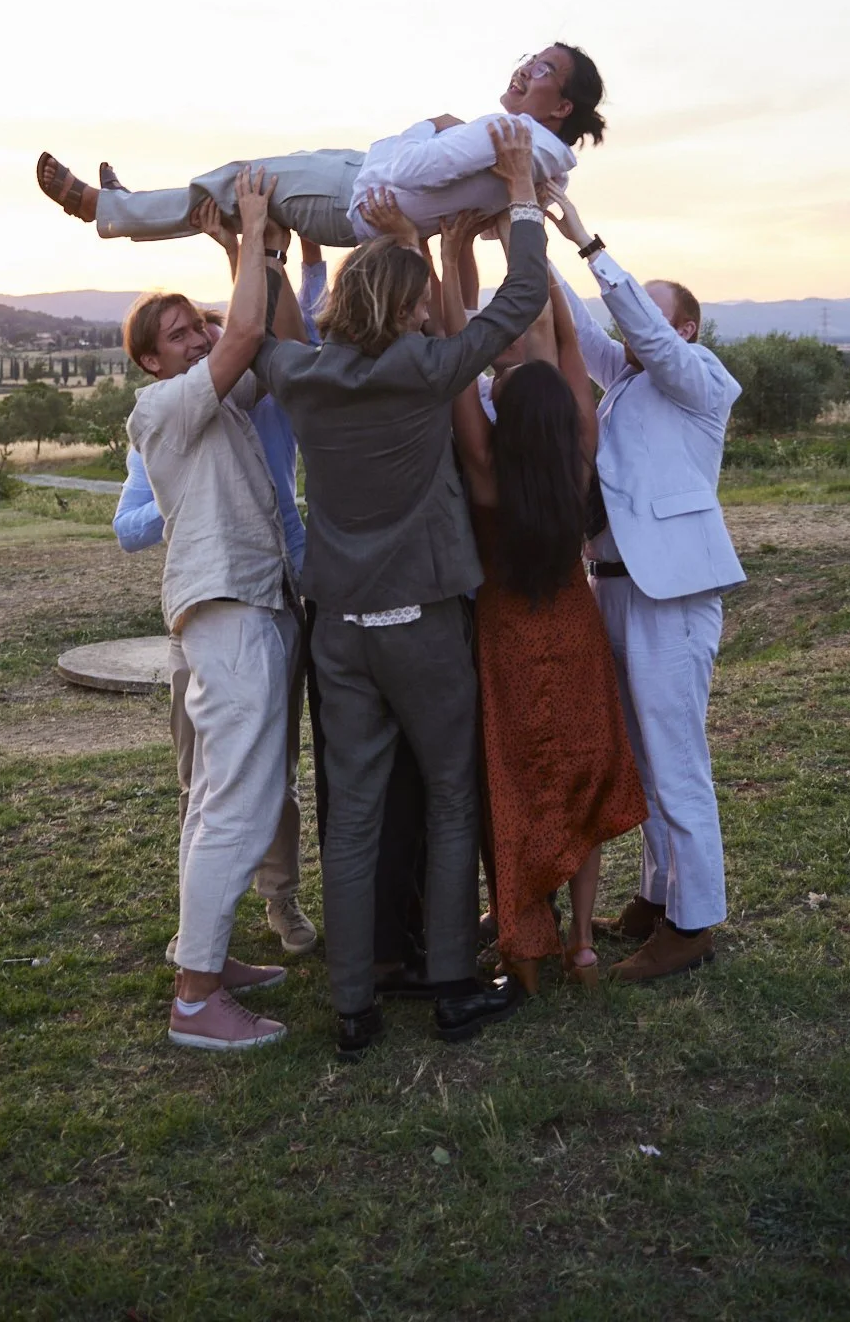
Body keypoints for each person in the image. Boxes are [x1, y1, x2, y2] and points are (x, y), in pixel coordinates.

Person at [254, 119, 550, 1057]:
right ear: (408, 309)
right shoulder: (427, 369)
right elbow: (523, 298)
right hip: (423, 623)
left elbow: (258, 337)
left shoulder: (300, 377)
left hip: (339, 630)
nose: (430, 316)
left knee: (358, 811)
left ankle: (353, 1009)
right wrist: (521, 194)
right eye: (423, 303)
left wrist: (254, 245)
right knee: (453, 795)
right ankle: (453, 987)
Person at [436, 211, 646, 993]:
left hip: (506, 635)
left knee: (519, 785)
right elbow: (564, 354)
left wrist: (446, 249)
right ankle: (584, 946)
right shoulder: (580, 451)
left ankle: (524, 944)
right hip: (575, 627)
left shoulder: (485, 470)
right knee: (584, 785)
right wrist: (540, 263)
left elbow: (456, 360)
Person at [547, 191, 746, 985]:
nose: (628, 335)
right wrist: (517, 229)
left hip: (672, 593)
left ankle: (694, 924)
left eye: (649, 321)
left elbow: (638, 334)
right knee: (641, 752)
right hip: (617, 586)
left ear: (680, 329)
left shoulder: (700, 379)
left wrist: (589, 243)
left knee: (674, 758)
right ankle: (660, 898)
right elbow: (577, 323)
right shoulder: (625, 380)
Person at [114, 204, 320, 962]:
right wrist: (252, 233)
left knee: (222, 795)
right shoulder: (162, 408)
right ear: (152, 363)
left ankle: (210, 952)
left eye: (197, 325)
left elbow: (281, 344)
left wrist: (258, 259)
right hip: (225, 611)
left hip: (263, 601)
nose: (198, 338)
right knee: (227, 797)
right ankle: (197, 988)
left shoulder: (222, 397)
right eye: (179, 335)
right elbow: (241, 337)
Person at [35, 44, 605, 245]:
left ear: (561, 107)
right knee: (232, 193)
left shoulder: (512, 135)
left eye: (545, 68)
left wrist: (432, 124)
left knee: (234, 184)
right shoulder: (545, 167)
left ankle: (105, 208)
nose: (527, 66)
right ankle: (127, 208)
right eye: (533, 57)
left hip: (351, 196)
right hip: (353, 183)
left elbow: (408, 168)